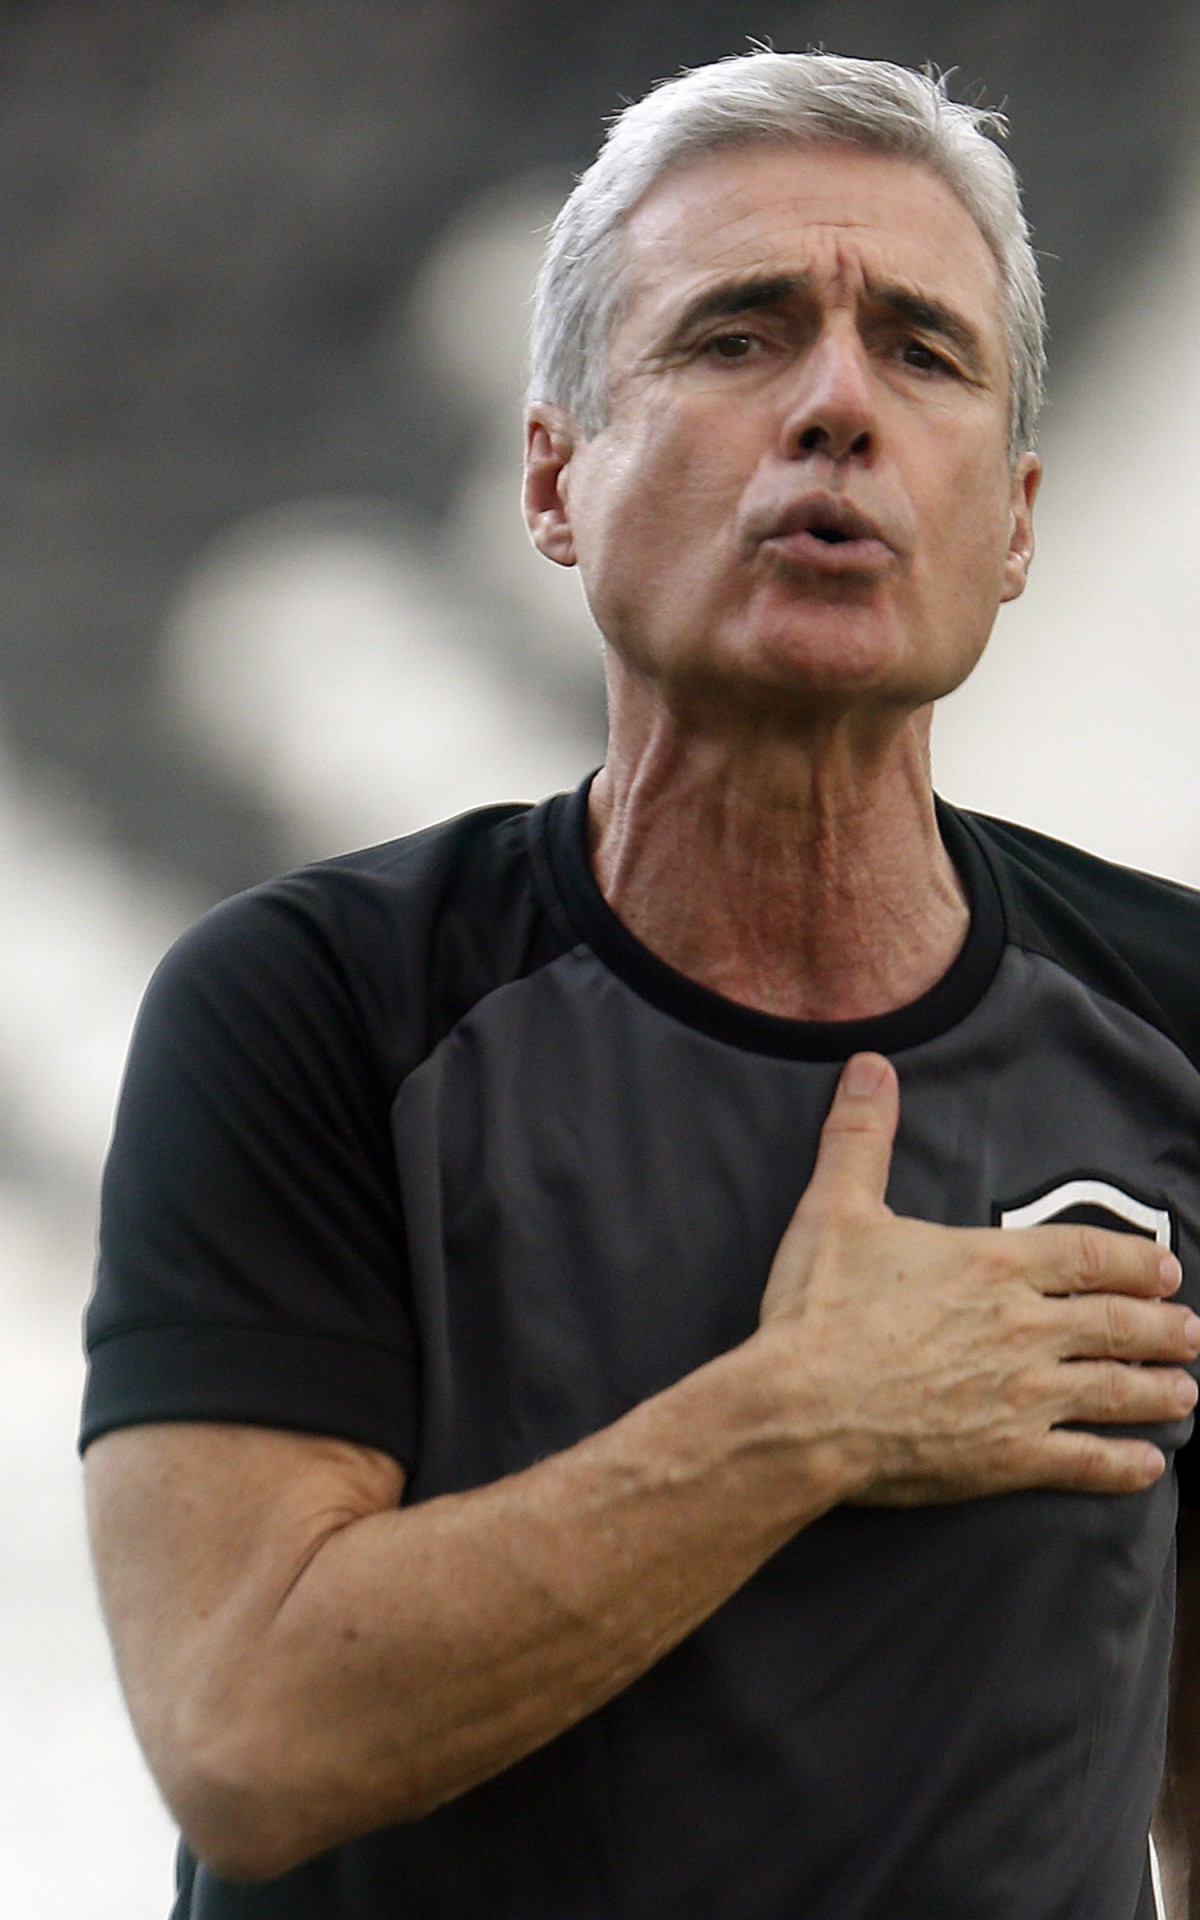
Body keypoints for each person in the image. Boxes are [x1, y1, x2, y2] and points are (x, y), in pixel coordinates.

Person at [81, 50, 1200, 1920]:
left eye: (922, 351)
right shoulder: (309, 1010)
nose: (837, 405)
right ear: (552, 478)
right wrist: (805, 1416)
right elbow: (248, 1731)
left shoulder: (1176, 1024)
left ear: (1013, 521)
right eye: (740, 337)